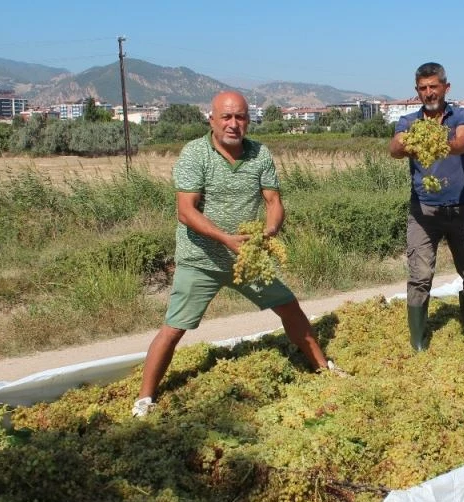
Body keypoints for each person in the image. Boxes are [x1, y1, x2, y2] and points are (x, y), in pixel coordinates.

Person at [132, 91, 345, 417]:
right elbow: (185, 212)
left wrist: (267, 233)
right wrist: (225, 239)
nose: (234, 124)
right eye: (227, 117)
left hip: (247, 257)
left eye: (241, 117)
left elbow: (273, 202)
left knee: (289, 308)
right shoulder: (195, 154)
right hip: (201, 258)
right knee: (175, 327)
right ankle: (145, 399)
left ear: (248, 119)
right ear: (212, 120)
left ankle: (322, 367)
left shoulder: (260, 154)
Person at [389, 62, 464, 351]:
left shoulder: (462, 115)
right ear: (417, 92)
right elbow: (395, 148)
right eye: (423, 88)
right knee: (419, 277)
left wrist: (432, 139)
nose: (429, 92)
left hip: (461, 210)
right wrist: (413, 140)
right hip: (424, 213)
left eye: (434, 86)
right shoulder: (408, 122)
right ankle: (419, 341)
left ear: (446, 87)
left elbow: (462, 142)